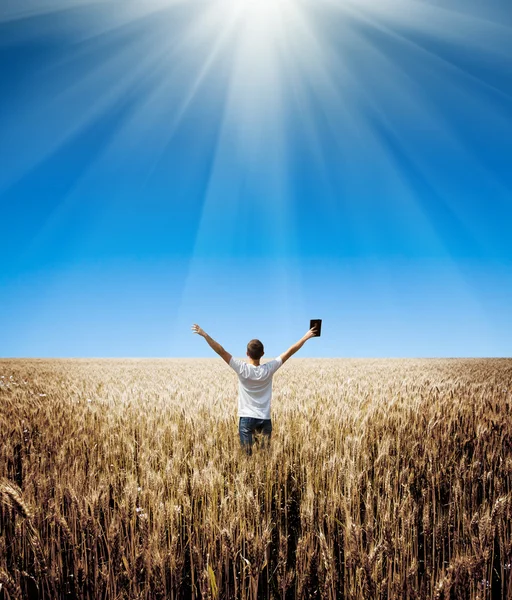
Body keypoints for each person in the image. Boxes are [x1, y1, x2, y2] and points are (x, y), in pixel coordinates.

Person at [191, 324, 318, 454]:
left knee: (247, 458)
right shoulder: (269, 368)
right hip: (265, 418)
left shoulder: (242, 368)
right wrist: (305, 337)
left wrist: (205, 335)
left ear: (247, 353)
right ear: (262, 354)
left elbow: (221, 351)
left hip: (246, 418)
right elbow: (290, 351)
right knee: (265, 459)